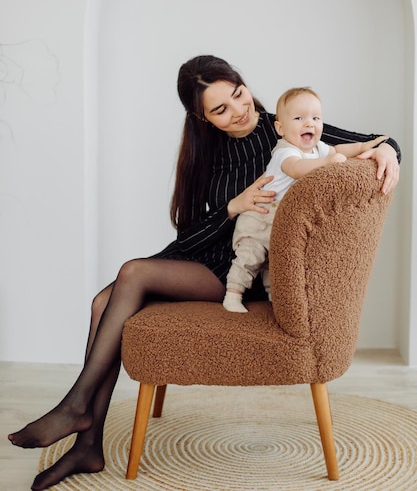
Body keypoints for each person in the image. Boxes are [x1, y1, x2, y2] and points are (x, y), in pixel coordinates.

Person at [8, 56, 400, 491]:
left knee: (132, 273)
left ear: (244, 85)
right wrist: (235, 206)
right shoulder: (202, 153)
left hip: (241, 274)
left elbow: (372, 141)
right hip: (200, 260)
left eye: (238, 93)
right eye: (221, 109)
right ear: (202, 118)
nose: (239, 110)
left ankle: (77, 406)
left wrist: (387, 150)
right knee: (104, 300)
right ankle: (88, 444)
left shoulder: (286, 127)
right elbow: (188, 236)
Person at [223, 86, 389, 313]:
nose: (309, 123)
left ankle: (278, 306)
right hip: (261, 216)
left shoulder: (316, 149)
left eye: (315, 118)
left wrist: (362, 147)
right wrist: (327, 163)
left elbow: (337, 149)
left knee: (278, 266)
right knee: (249, 258)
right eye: (299, 118)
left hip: (282, 221)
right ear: (280, 128)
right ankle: (232, 295)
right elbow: (296, 169)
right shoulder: (285, 151)